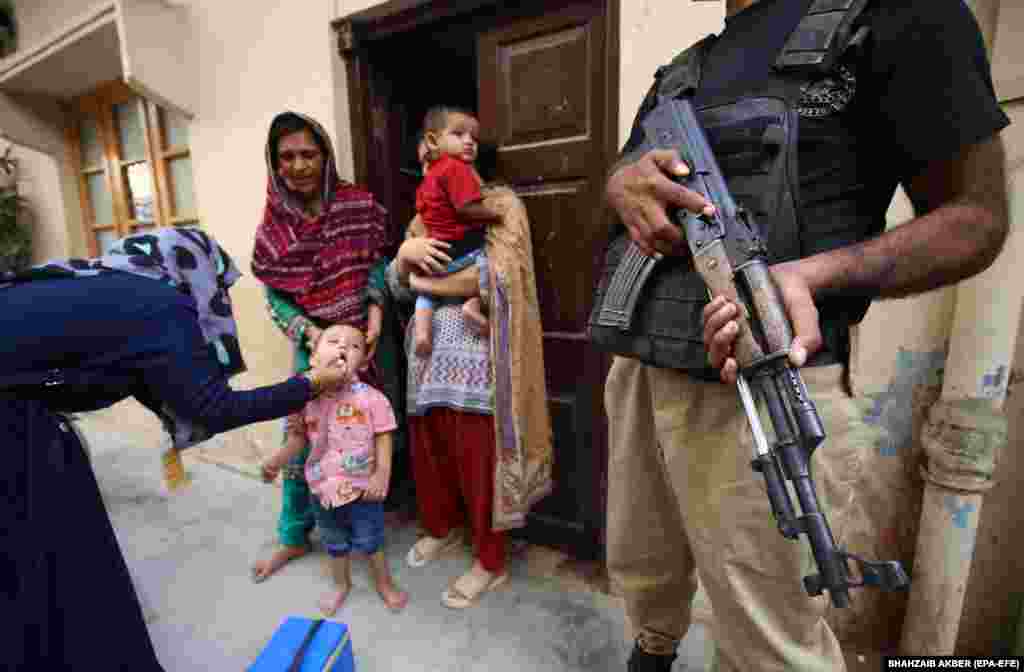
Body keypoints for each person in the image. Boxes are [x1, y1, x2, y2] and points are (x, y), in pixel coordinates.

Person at [598, 1, 1010, 670]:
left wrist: (814, 277)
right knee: (644, 570)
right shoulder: (684, 68)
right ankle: (651, 653)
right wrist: (622, 183)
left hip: (766, 382)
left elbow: (978, 216)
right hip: (645, 363)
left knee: (769, 641)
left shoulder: (903, 14)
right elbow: (621, 180)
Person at [0, 227, 352, 671]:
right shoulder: (162, 305)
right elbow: (211, 406)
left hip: (21, 409)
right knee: (58, 568)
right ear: (198, 273)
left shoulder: (102, 282)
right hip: (12, 426)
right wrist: (308, 384)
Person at [249, 111, 405, 583]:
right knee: (303, 441)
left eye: (308, 154)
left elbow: (377, 263)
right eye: (287, 157)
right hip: (314, 346)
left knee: (366, 426)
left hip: (366, 338)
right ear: (275, 165)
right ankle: (294, 535)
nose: (297, 165)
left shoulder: (356, 205)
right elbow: (273, 294)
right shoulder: (275, 223)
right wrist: (310, 334)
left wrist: (375, 313)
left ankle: (361, 519)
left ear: (325, 156)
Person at [392, 158, 553, 608]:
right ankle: (441, 530)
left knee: (480, 465)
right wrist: (405, 258)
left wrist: (426, 279)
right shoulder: (424, 216)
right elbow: (398, 286)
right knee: (434, 454)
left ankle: (490, 561)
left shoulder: (502, 206)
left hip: (481, 364)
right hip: (428, 363)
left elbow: (499, 277)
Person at [262, 324, 409, 614]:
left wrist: (381, 474)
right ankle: (341, 584)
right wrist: (276, 461)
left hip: (362, 489)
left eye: (354, 346)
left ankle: (384, 583)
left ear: (364, 362)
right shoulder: (303, 398)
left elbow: (384, 436)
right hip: (322, 488)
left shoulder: (372, 399)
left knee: (371, 541)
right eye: (333, 341)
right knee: (334, 541)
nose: (343, 347)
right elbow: (298, 438)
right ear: (313, 358)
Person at [410, 105, 497, 356]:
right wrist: (406, 255)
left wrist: (420, 281)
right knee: (487, 267)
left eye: (473, 138)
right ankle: (472, 305)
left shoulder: (449, 180)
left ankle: (422, 331)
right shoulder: (450, 173)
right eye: (459, 135)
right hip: (460, 256)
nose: (469, 142)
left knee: (425, 295)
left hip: (465, 343)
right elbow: (397, 282)